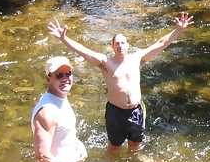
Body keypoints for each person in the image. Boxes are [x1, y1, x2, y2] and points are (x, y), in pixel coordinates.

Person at [47, 12, 193, 152]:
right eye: (117, 43)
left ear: (127, 45)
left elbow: (161, 43)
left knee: (136, 145)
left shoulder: (137, 58)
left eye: (123, 43)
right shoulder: (105, 62)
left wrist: (178, 30)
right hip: (115, 112)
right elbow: (84, 51)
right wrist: (64, 39)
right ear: (112, 46)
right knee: (114, 147)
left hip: (135, 111)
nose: (120, 45)